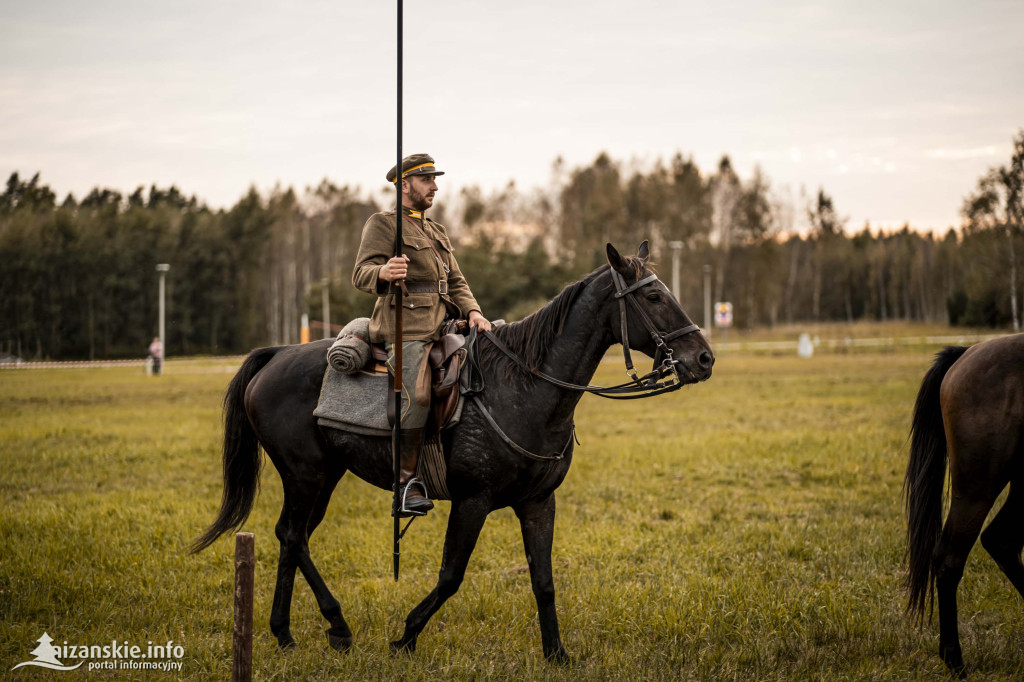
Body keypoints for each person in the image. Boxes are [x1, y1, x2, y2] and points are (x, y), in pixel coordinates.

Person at [352, 153, 491, 517]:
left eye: (434, 178)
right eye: (427, 179)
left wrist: (474, 312)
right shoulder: (383, 224)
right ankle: (406, 483)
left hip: (447, 324)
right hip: (406, 327)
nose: (435, 186)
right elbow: (360, 273)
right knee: (417, 391)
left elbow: (455, 281)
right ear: (405, 184)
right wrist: (383, 272)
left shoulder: (436, 231)